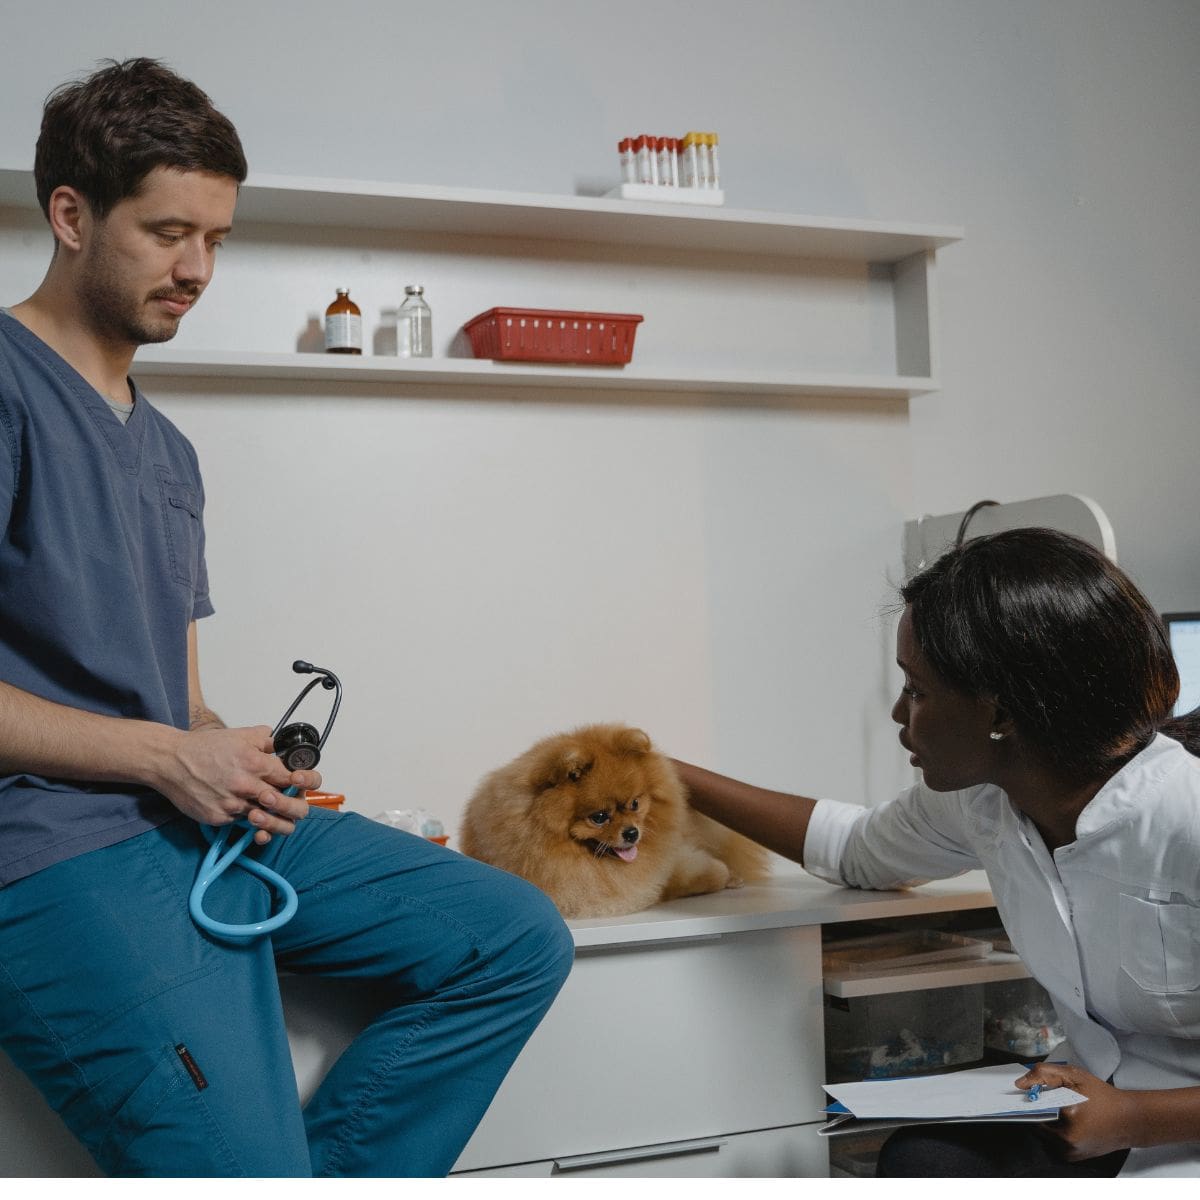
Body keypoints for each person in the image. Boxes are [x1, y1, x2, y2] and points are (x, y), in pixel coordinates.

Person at [0, 58, 573, 1178]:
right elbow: (154, 733)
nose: (198, 267)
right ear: (70, 214)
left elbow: (171, 692)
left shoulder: (167, 450)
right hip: (51, 851)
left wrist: (236, 754)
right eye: (168, 232)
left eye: (216, 236)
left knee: (512, 941)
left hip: (183, 819)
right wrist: (173, 755)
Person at [675, 527, 1200, 1177]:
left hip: (1169, 1124)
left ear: (1000, 710)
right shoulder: (985, 799)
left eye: (917, 691)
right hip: (1087, 1106)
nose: (898, 714)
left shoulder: (1187, 817)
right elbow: (854, 848)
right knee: (926, 1160)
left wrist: (1141, 1118)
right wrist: (663, 773)